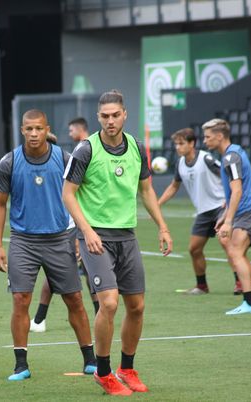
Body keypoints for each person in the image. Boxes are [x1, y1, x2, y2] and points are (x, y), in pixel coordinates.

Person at [63, 90, 172, 396]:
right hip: (96, 236)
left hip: (127, 235)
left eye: (115, 115)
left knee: (136, 306)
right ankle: (103, 372)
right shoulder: (85, 150)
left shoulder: (136, 146)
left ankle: (127, 368)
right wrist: (86, 231)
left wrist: (162, 227)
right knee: (109, 303)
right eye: (105, 116)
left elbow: (146, 190)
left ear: (125, 115)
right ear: (98, 118)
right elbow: (68, 194)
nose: (110, 121)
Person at [0, 109, 97, 381]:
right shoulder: (9, 162)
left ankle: (90, 360)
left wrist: (80, 234)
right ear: (22, 131)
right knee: (20, 300)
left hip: (60, 238)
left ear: (46, 129)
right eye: (29, 129)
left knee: (74, 299)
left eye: (39, 128)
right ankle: (21, 366)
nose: (34, 133)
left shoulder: (64, 159)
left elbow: (79, 197)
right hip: (23, 241)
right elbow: (0, 205)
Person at [30, 117, 99, 334]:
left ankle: (40, 319)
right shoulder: (48, 165)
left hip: (74, 225)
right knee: (69, 273)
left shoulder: (74, 156)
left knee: (86, 271)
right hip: (68, 226)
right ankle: (39, 319)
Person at [202, 118, 251, 315]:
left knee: (236, 253)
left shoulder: (230, 157)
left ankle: (249, 302)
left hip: (248, 209)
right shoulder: (234, 152)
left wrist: (228, 221)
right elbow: (234, 192)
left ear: (219, 136)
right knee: (240, 254)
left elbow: (237, 190)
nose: (205, 141)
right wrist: (225, 215)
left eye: (208, 137)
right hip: (247, 209)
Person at [158, 127, 229, 295]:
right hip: (203, 212)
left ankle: (240, 283)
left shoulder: (206, 159)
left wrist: (229, 198)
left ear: (192, 144)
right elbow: (174, 186)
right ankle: (202, 286)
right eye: (176, 144)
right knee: (194, 249)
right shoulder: (180, 163)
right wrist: (157, 204)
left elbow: (227, 176)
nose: (178, 147)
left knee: (226, 243)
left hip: (220, 207)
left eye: (181, 143)